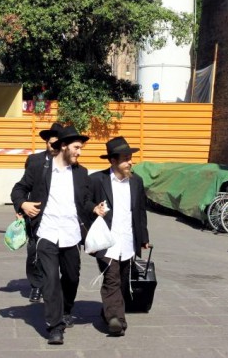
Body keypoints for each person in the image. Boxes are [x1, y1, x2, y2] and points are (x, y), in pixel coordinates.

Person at [10, 125, 97, 345]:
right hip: (47, 233)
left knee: (72, 277)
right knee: (50, 280)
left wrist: (94, 209)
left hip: (71, 234)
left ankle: (66, 309)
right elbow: (18, 189)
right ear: (64, 146)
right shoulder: (40, 168)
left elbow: (84, 201)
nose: (80, 152)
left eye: (81, 148)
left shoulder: (81, 173)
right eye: (77, 147)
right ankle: (55, 326)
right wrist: (23, 203)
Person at [89, 136, 150, 337]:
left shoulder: (137, 182)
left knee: (124, 281)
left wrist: (143, 237)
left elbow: (140, 211)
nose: (130, 162)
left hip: (129, 241)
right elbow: (83, 203)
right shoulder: (97, 180)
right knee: (111, 278)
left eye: (130, 158)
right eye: (125, 158)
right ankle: (116, 320)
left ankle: (108, 310)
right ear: (113, 161)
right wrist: (93, 208)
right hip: (107, 242)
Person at [22, 122, 63, 303]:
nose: (52, 146)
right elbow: (24, 186)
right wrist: (21, 207)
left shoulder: (70, 163)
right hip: (36, 215)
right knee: (34, 252)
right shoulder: (35, 161)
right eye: (50, 143)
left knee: (59, 254)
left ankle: (53, 285)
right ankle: (37, 286)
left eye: (56, 143)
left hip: (60, 218)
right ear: (46, 143)